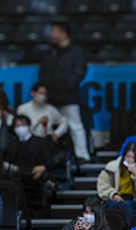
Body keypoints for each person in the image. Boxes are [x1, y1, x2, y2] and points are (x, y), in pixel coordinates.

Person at [38, 22, 89, 162]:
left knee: (75, 126)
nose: (51, 34)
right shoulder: (50, 52)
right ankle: (47, 156)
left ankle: (82, 155)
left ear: (63, 32)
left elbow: (79, 72)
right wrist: (46, 89)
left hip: (68, 95)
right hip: (51, 96)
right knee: (47, 126)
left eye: (54, 31)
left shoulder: (76, 52)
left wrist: (66, 86)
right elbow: (44, 72)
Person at [4, 115, 58, 211]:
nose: (20, 128)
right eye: (17, 126)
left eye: (23, 125)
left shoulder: (40, 142)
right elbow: (7, 162)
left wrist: (43, 167)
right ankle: (23, 211)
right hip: (18, 174)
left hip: (36, 175)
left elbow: (51, 161)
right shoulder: (12, 144)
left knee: (16, 177)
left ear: (29, 126)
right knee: (13, 177)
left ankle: (24, 212)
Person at [98, 141, 136, 226]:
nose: (130, 160)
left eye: (134, 158)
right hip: (114, 197)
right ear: (124, 156)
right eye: (128, 157)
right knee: (112, 205)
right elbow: (103, 185)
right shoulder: (111, 167)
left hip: (133, 199)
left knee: (127, 205)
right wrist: (113, 195)